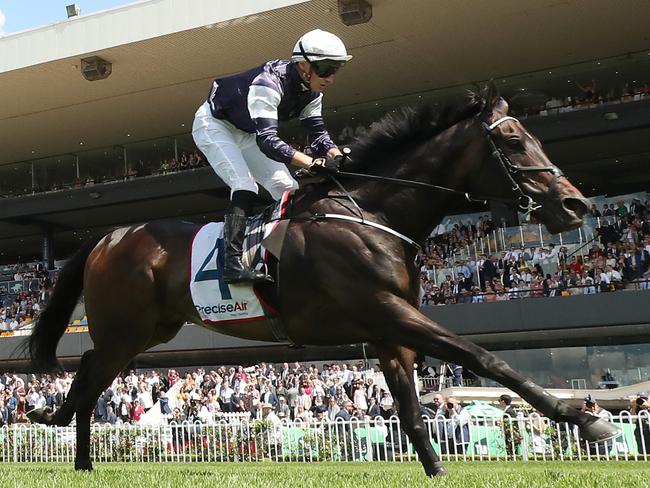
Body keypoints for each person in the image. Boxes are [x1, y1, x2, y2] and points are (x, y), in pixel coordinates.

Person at [192, 29, 352, 283]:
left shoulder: (313, 93)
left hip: (246, 132)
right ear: (303, 65)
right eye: (324, 69)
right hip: (215, 125)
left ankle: (281, 255)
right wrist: (311, 162)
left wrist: (335, 156)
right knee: (244, 186)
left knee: (287, 187)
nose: (330, 78)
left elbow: (319, 135)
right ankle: (232, 265)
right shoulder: (268, 83)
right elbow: (268, 142)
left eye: (336, 69)